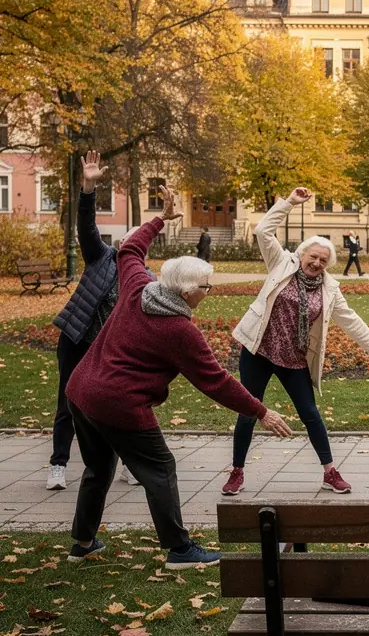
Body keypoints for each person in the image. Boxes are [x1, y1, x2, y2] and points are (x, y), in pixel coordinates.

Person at [65, 185, 293, 567]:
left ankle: (82, 543)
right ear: (188, 292)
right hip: (119, 402)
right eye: (207, 287)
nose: (209, 292)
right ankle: (179, 549)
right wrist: (260, 412)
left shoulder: (139, 287)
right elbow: (215, 381)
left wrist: (160, 220)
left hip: (81, 390)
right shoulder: (180, 331)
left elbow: (128, 250)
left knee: (98, 467)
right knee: (160, 468)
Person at [222, 189, 369, 496]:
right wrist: (289, 203)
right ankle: (237, 472)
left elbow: (349, 319)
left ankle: (330, 472)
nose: (317, 263)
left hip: (294, 359)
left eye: (323, 260)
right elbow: (262, 230)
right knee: (248, 410)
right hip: (259, 350)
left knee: (310, 413)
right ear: (301, 254)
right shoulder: (281, 263)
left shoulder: (329, 289)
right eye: (313, 256)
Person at [48, 152, 143, 491]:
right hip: (77, 339)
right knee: (68, 402)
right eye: (129, 242)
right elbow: (86, 227)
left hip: (109, 350)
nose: (133, 249)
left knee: (117, 404)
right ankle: (58, 464)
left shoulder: (144, 278)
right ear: (122, 244)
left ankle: (127, 464)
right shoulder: (101, 257)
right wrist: (88, 188)